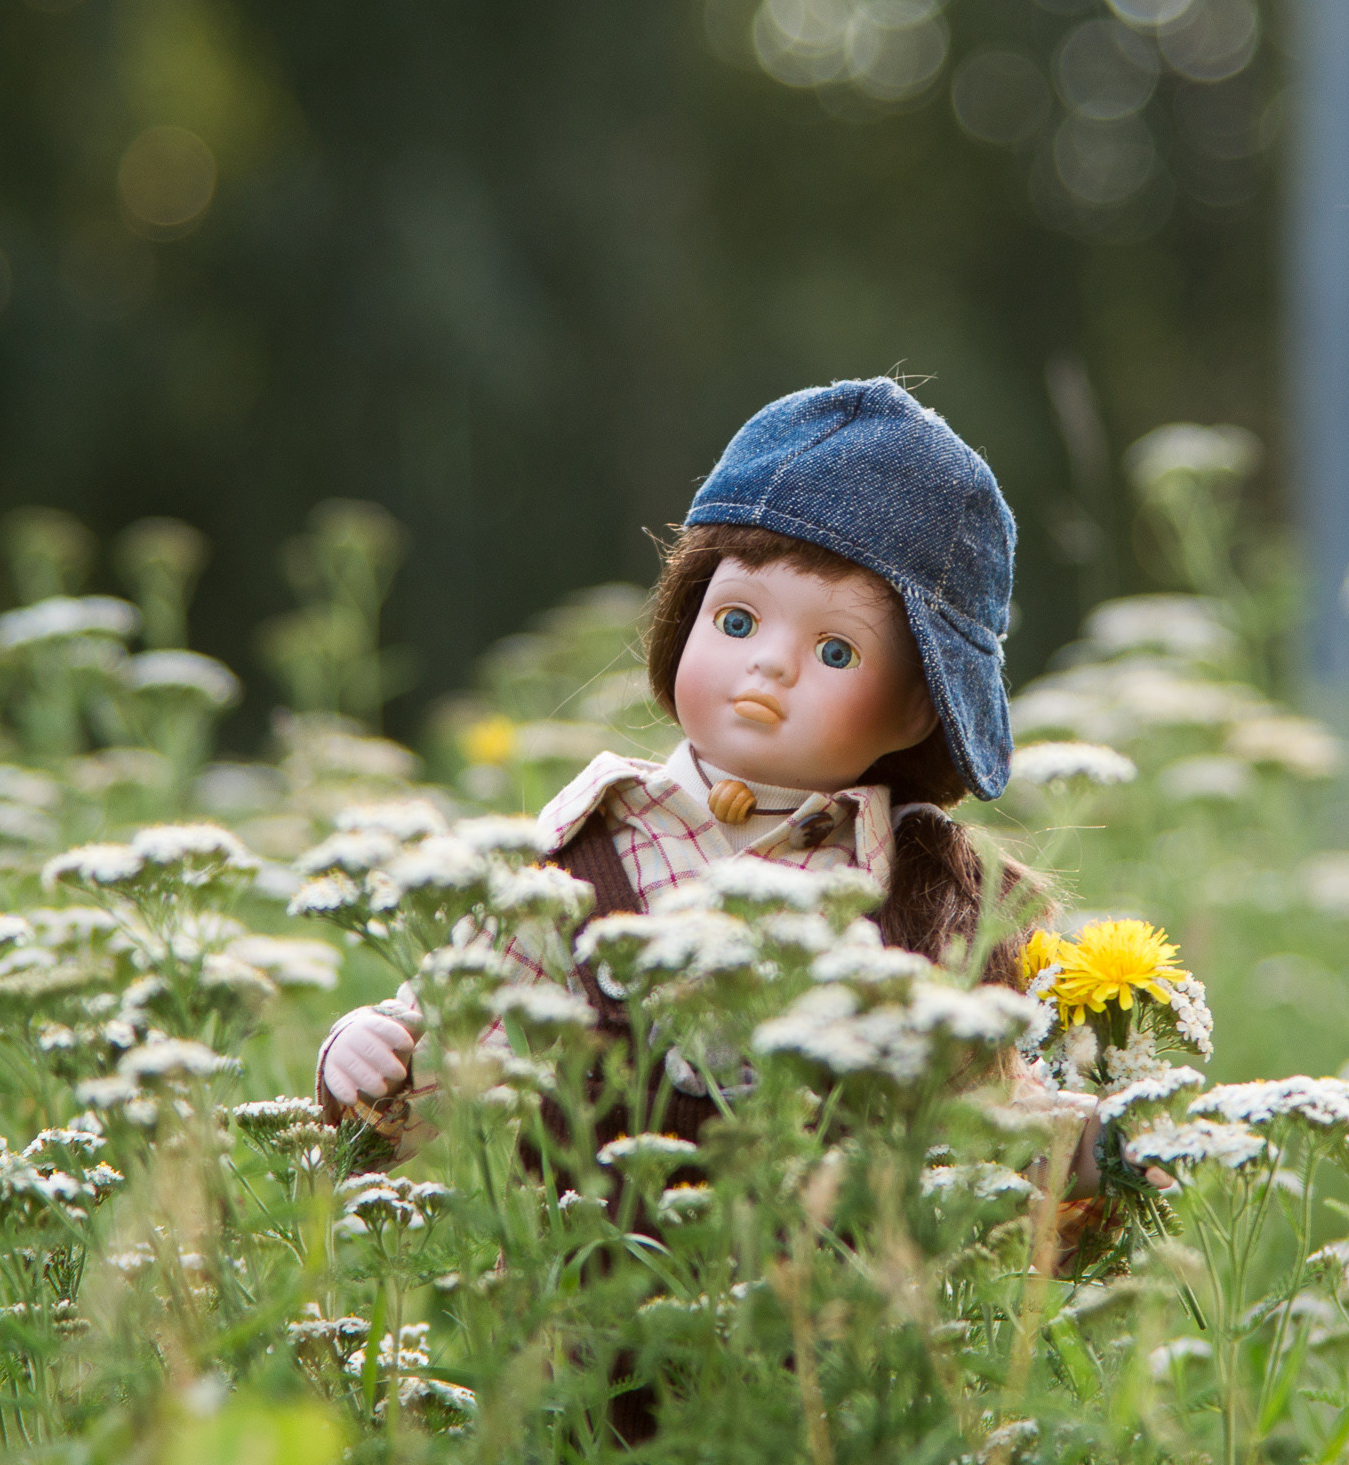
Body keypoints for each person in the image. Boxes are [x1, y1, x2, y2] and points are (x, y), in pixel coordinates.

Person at [317, 375, 1061, 1135]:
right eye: (737, 622)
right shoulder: (579, 852)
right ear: (684, 617)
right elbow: (460, 1048)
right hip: (585, 1248)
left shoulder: (917, 894)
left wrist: (1087, 1153)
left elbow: (992, 1127)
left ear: (916, 711)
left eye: (835, 650)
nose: (770, 665)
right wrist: (371, 1053)